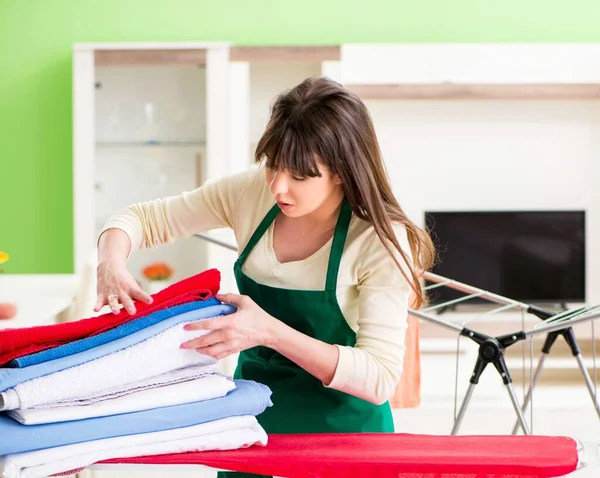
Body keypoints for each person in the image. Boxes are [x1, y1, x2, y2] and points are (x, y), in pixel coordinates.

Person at [95, 76, 435, 478]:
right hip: (251, 425)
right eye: (273, 164)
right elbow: (143, 219)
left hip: (345, 438)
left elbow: (379, 378)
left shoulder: (378, 238)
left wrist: (268, 331)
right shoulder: (252, 193)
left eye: (301, 175)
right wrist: (110, 260)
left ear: (342, 171)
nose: (278, 186)